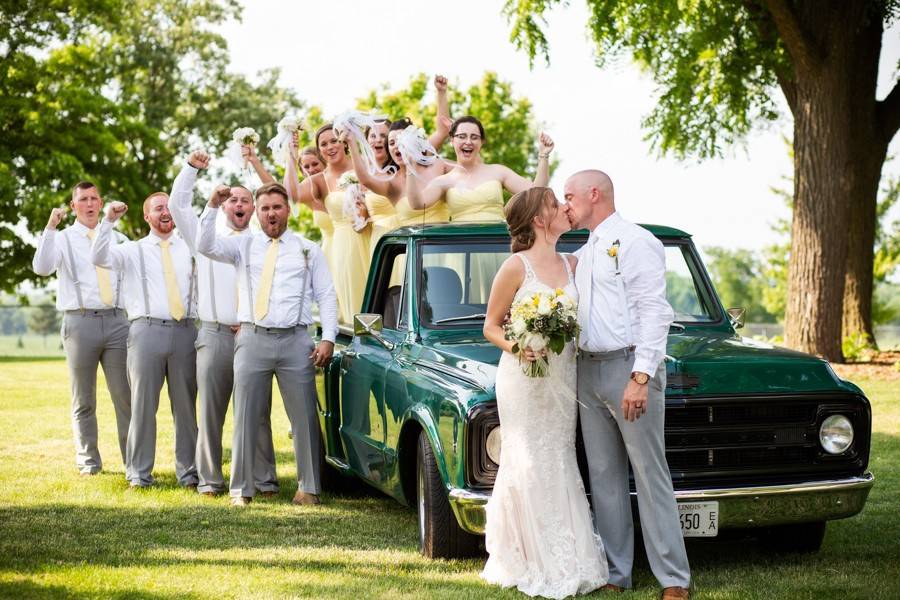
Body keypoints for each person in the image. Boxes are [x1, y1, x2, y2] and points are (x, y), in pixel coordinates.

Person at [564, 170, 691, 600]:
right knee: (603, 475)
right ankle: (617, 573)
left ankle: (674, 579)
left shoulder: (636, 242)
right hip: (588, 369)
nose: (565, 204)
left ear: (593, 194)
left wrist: (641, 377)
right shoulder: (585, 250)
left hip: (628, 370)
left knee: (649, 472)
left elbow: (654, 312)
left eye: (569, 196)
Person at [481, 187, 608, 598]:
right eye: (556, 204)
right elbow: (491, 325)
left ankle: (570, 553)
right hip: (523, 379)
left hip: (562, 378)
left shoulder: (574, 263)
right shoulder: (515, 267)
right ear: (540, 218)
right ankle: (526, 555)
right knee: (529, 458)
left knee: (558, 454)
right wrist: (519, 346)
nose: (564, 209)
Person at [197, 182, 338, 507]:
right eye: (265, 208)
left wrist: (328, 337)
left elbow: (326, 295)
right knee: (245, 414)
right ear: (257, 213)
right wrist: (212, 206)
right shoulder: (242, 246)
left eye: (276, 207)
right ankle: (241, 490)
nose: (271, 213)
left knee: (304, 417)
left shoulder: (307, 249)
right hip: (251, 338)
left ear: (287, 209)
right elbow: (205, 246)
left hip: (296, 340)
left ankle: (309, 489)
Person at [167, 150, 279, 498]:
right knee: (211, 410)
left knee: (258, 411)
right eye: (233, 199)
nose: (239, 204)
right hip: (215, 334)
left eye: (246, 199)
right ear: (224, 204)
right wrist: (192, 169)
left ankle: (264, 480)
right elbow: (177, 205)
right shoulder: (204, 234)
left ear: (254, 209)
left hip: (253, 335)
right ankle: (210, 480)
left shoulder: (264, 242)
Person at [92, 192, 199, 489]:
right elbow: (98, 257)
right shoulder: (131, 250)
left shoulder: (191, 246)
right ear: (147, 217)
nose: (165, 212)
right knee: (142, 406)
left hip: (186, 331)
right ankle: (138, 474)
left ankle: (189, 473)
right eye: (158, 208)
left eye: (168, 207)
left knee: (186, 406)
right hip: (145, 331)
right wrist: (109, 221)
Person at [31, 182, 131, 476]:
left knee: (124, 396)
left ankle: (133, 461)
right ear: (73, 206)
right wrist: (49, 227)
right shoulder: (61, 239)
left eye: (94, 199)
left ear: (101, 204)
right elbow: (41, 267)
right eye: (83, 200)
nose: (89, 204)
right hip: (79, 322)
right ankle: (89, 462)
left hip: (117, 322)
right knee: (83, 399)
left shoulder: (118, 236)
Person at [284, 124, 370, 324]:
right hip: (346, 248)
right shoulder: (320, 180)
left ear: (344, 142)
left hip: (375, 239)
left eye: (334, 140)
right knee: (356, 302)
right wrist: (291, 156)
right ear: (320, 150)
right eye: (323, 144)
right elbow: (292, 193)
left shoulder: (364, 165)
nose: (330, 146)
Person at [405, 116, 554, 223]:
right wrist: (409, 166)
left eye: (474, 137)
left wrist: (543, 155)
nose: (468, 142)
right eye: (462, 136)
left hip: (494, 246)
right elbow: (417, 203)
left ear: (481, 142)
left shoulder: (498, 171)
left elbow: (537, 193)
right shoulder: (444, 181)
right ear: (452, 141)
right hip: (460, 250)